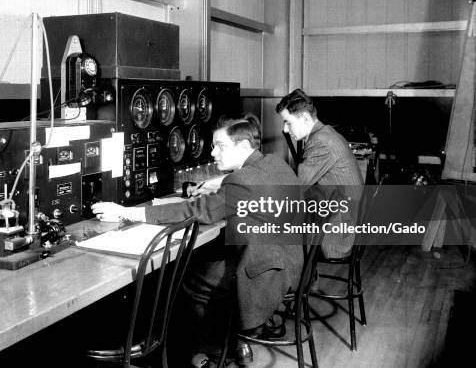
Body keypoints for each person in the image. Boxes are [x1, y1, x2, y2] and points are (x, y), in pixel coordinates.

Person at [92, 114, 303, 367]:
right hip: (292, 263)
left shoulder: (241, 180)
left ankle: (217, 353)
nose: (213, 153)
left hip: (265, 275)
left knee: (190, 277)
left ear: (244, 147)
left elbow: (195, 212)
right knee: (208, 261)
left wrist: (125, 211)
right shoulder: (275, 163)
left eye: (220, 146)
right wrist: (217, 191)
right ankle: (235, 342)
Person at [276, 89, 364, 258]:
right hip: (342, 216)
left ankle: (297, 282)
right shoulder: (326, 132)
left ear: (305, 118)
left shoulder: (321, 142)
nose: (285, 130)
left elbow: (296, 186)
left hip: (338, 233)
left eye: (288, 122)